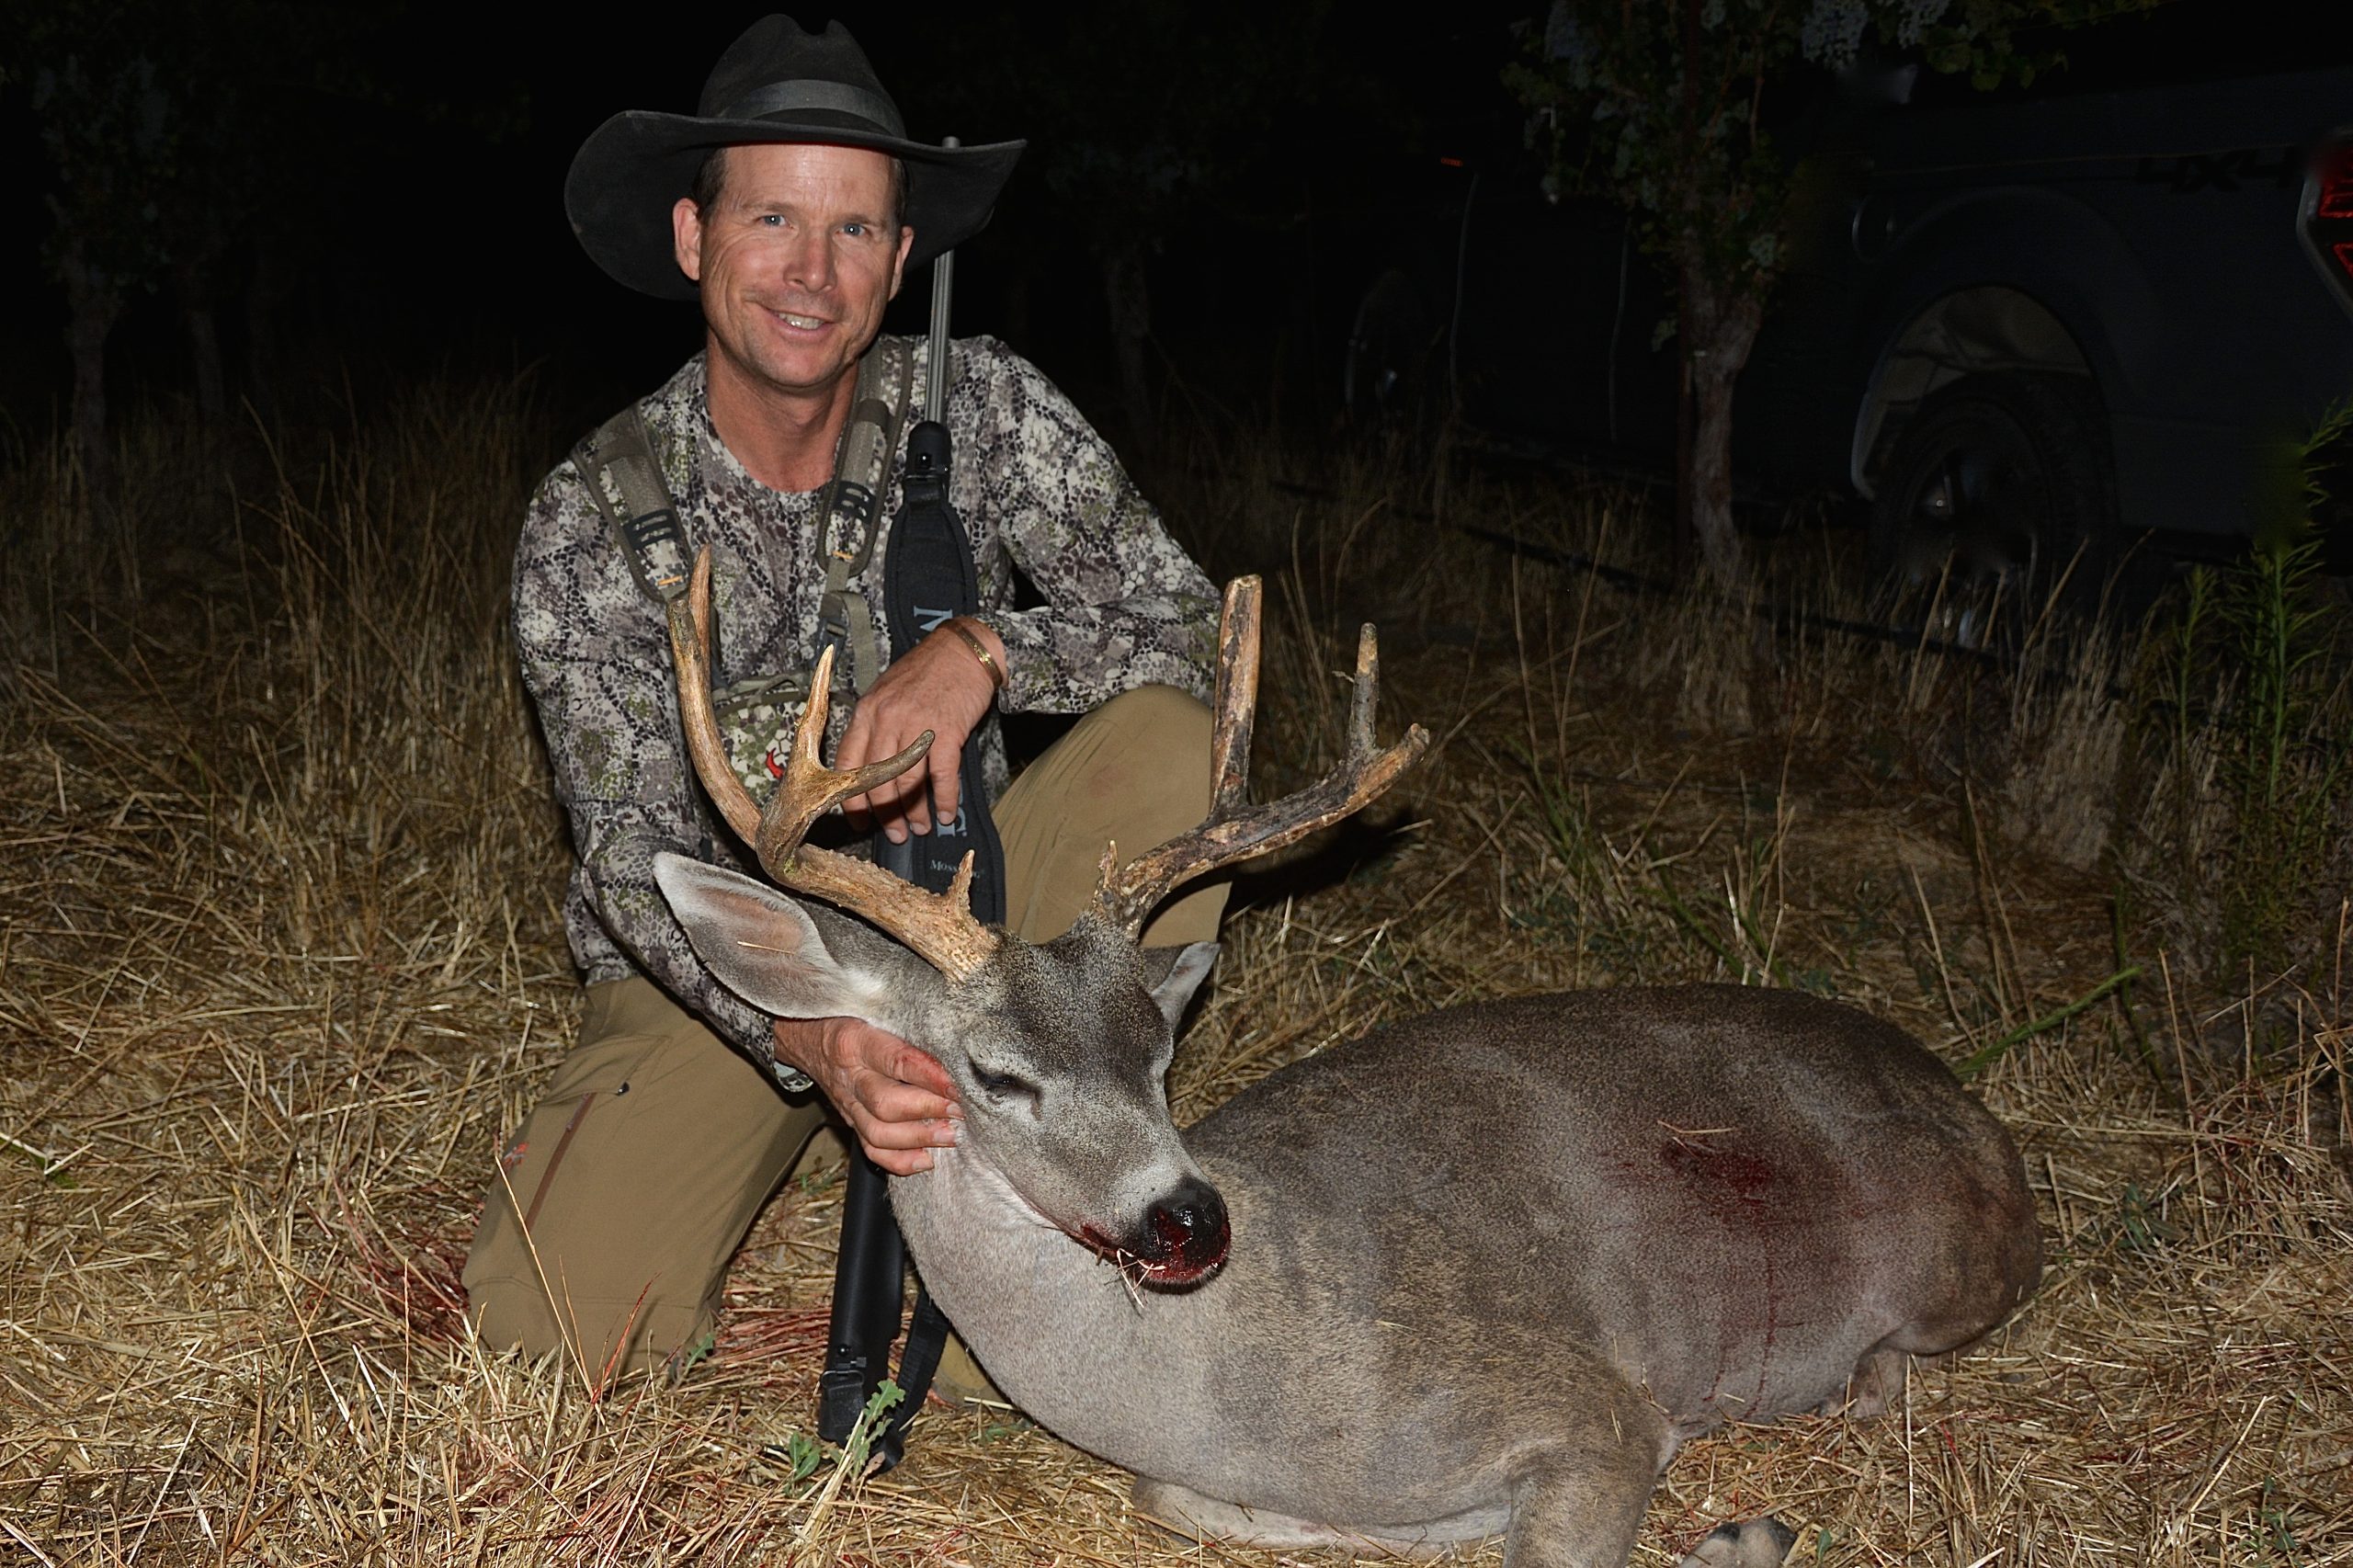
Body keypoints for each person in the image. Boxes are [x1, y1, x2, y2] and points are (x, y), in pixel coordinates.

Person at [463, 15, 1226, 1382]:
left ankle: (1090, 1111)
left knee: (1176, 740)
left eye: (857, 230)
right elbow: (638, 863)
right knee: (555, 1334)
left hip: (993, 945)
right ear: (695, 239)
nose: (812, 274)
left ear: (904, 255)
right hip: (742, 969)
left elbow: (1194, 633)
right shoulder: (594, 515)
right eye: (773, 220)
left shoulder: (985, 412)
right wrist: (815, 1037)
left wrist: (987, 650)